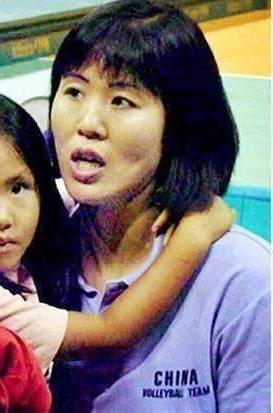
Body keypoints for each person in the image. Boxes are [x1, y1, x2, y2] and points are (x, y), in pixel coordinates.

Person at [0, 90, 235, 412]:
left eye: (18, 187)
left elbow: (61, 193)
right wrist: (193, 238)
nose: (3, 217)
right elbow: (112, 331)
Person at [47, 1, 271, 411]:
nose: (88, 123)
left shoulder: (244, 281)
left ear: (181, 124)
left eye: (121, 100)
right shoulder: (22, 249)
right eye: (74, 91)